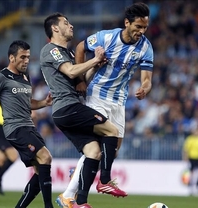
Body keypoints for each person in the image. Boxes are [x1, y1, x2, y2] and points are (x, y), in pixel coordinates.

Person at [55, 2, 153, 207]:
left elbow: (147, 78)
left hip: (119, 101)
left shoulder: (146, 47)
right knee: (98, 147)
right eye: (138, 27)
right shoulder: (106, 37)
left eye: (144, 27)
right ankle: (73, 195)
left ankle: (79, 174)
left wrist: (145, 87)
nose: (141, 31)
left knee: (112, 151)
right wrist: (80, 79)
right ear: (127, 23)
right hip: (97, 95)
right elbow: (81, 47)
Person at [40, 13, 127, 208]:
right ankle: (104, 180)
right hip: (69, 107)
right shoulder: (51, 50)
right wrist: (94, 59)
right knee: (112, 130)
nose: (70, 26)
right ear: (55, 28)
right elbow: (71, 71)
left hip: (68, 111)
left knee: (94, 152)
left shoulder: (69, 54)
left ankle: (77, 201)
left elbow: (80, 80)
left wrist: (97, 65)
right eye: (65, 23)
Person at [0, 40, 54, 208]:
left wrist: (44, 103)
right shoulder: (1, 77)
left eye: (28, 57)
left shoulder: (25, 78)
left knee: (40, 170)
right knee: (46, 157)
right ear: (12, 58)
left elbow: (28, 103)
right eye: (22, 57)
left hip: (28, 127)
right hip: (15, 128)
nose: (26, 60)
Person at [182, 126, 198, 196]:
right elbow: (186, 149)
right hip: (192, 157)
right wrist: (185, 157)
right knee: (192, 173)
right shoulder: (190, 139)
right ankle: (191, 188)